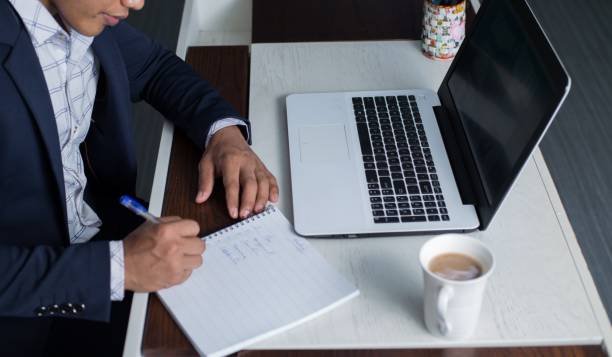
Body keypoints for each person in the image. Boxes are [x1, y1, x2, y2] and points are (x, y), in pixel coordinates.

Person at [0, 0, 279, 355]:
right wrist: (117, 269)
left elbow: (154, 66)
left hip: (112, 236)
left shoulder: (82, 12)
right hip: (28, 320)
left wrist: (225, 137)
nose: (136, 2)